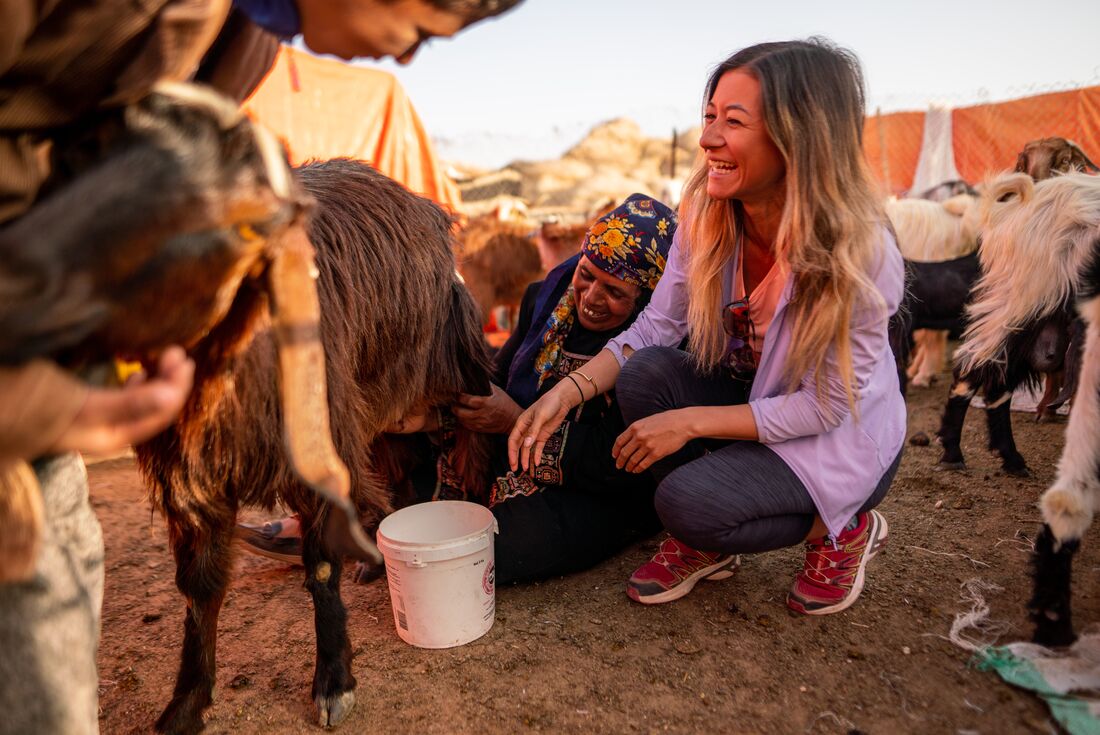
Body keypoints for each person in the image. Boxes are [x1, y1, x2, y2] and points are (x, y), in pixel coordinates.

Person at [0, 2, 522, 733]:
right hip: (40, 311)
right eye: (425, 28)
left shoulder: (249, 37)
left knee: (57, 558)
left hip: (87, 315)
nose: (408, 59)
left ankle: (331, 646)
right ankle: (196, 678)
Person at [509, 38, 905, 615]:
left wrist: (688, 423)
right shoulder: (708, 215)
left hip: (835, 434)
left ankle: (842, 527)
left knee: (688, 505)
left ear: (798, 136)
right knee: (645, 375)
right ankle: (714, 541)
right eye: (709, 116)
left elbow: (824, 407)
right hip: (757, 398)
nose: (708, 139)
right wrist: (566, 394)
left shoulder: (859, 253)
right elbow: (655, 327)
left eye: (734, 122)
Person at [239, 193, 680, 584]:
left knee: (495, 545)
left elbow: (614, 463)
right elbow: (497, 377)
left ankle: (362, 536)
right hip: (514, 455)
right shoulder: (547, 298)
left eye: (614, 291)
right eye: (587, 274)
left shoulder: (654, 356)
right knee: (400, 450)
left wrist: (510, 420)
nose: (589, 297)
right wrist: (434, 415)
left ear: (646, 298)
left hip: (598, 485)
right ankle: (333, 525)